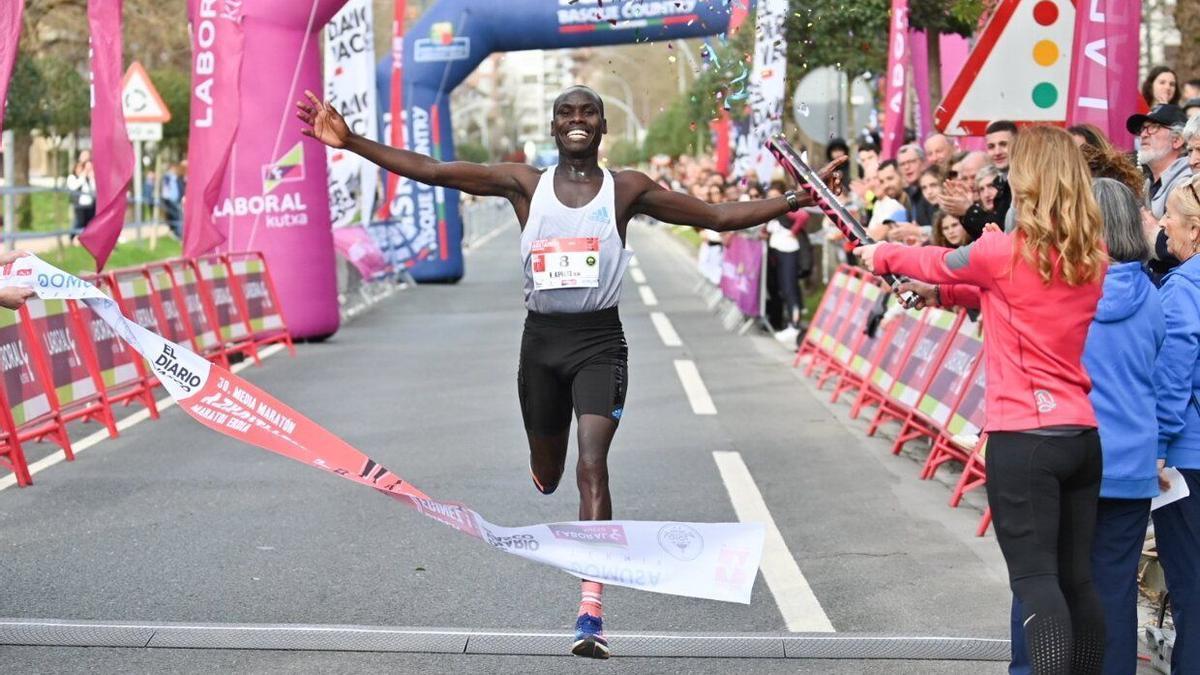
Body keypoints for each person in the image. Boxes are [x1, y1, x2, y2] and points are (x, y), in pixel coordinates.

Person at [296, 85, 841, 659]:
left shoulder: (626, 189)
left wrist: (793, 201)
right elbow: (433, 170)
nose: (576, 121)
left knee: (592, 464)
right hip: (542, 346)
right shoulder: (523, 185)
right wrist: (352, 141)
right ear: (554, 126)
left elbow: (715, 215)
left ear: (603, 127)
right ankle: (544, 466)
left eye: (587, 113)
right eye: (566, 113)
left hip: (600, 343)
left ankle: (590, 610)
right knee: (550, 469)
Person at [855, 126, 1108, 674]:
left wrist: (880, 253)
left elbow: (936, 263)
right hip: (1081, 438)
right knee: (1077, 580)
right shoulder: (1091, 257)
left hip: (1024, 439)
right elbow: (1002, 290)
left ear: (1031, 179)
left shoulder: (999, 251)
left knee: (1036, 583)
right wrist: (940, 293)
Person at [1008, 178, 1165, 675]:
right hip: (1132, 461)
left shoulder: (1057, 292)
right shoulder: (1155, 297)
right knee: (1113, 588)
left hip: (1060, 450)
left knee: (1040, 581)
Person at [1151, 173, 1200, 674]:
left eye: (1173, 218)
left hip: (1189, 456)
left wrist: (1159, 444)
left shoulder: (1184, 286)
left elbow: (1172, 375)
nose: (1164, 223)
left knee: (1192, 587)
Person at [1127, 104, 1192, 278]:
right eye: (1142, 129)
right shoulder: (1148, 182)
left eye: (1154, 127)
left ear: (1177, 140)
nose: (1144, 134)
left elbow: (1188, 246)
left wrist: (1154, 234)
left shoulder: (1188, 183)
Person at [66, 154, 96, 240]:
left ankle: (85, 238)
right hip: (79, 204)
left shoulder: (86, 178)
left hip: (89, 204)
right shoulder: (72, 178)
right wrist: (83, 175)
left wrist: (91, 177)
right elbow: (74, 186)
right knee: (79, 222)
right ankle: (72, 237)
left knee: (89, 223)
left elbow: (93, 189)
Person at [161, 163, 185, 239]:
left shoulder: (177, 177)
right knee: (177, 216)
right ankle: (178, 233)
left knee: (177, 216)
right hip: (170, 199)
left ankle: (178, 232)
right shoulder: (167, 177)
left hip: (176, 199)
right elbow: (166, 188)